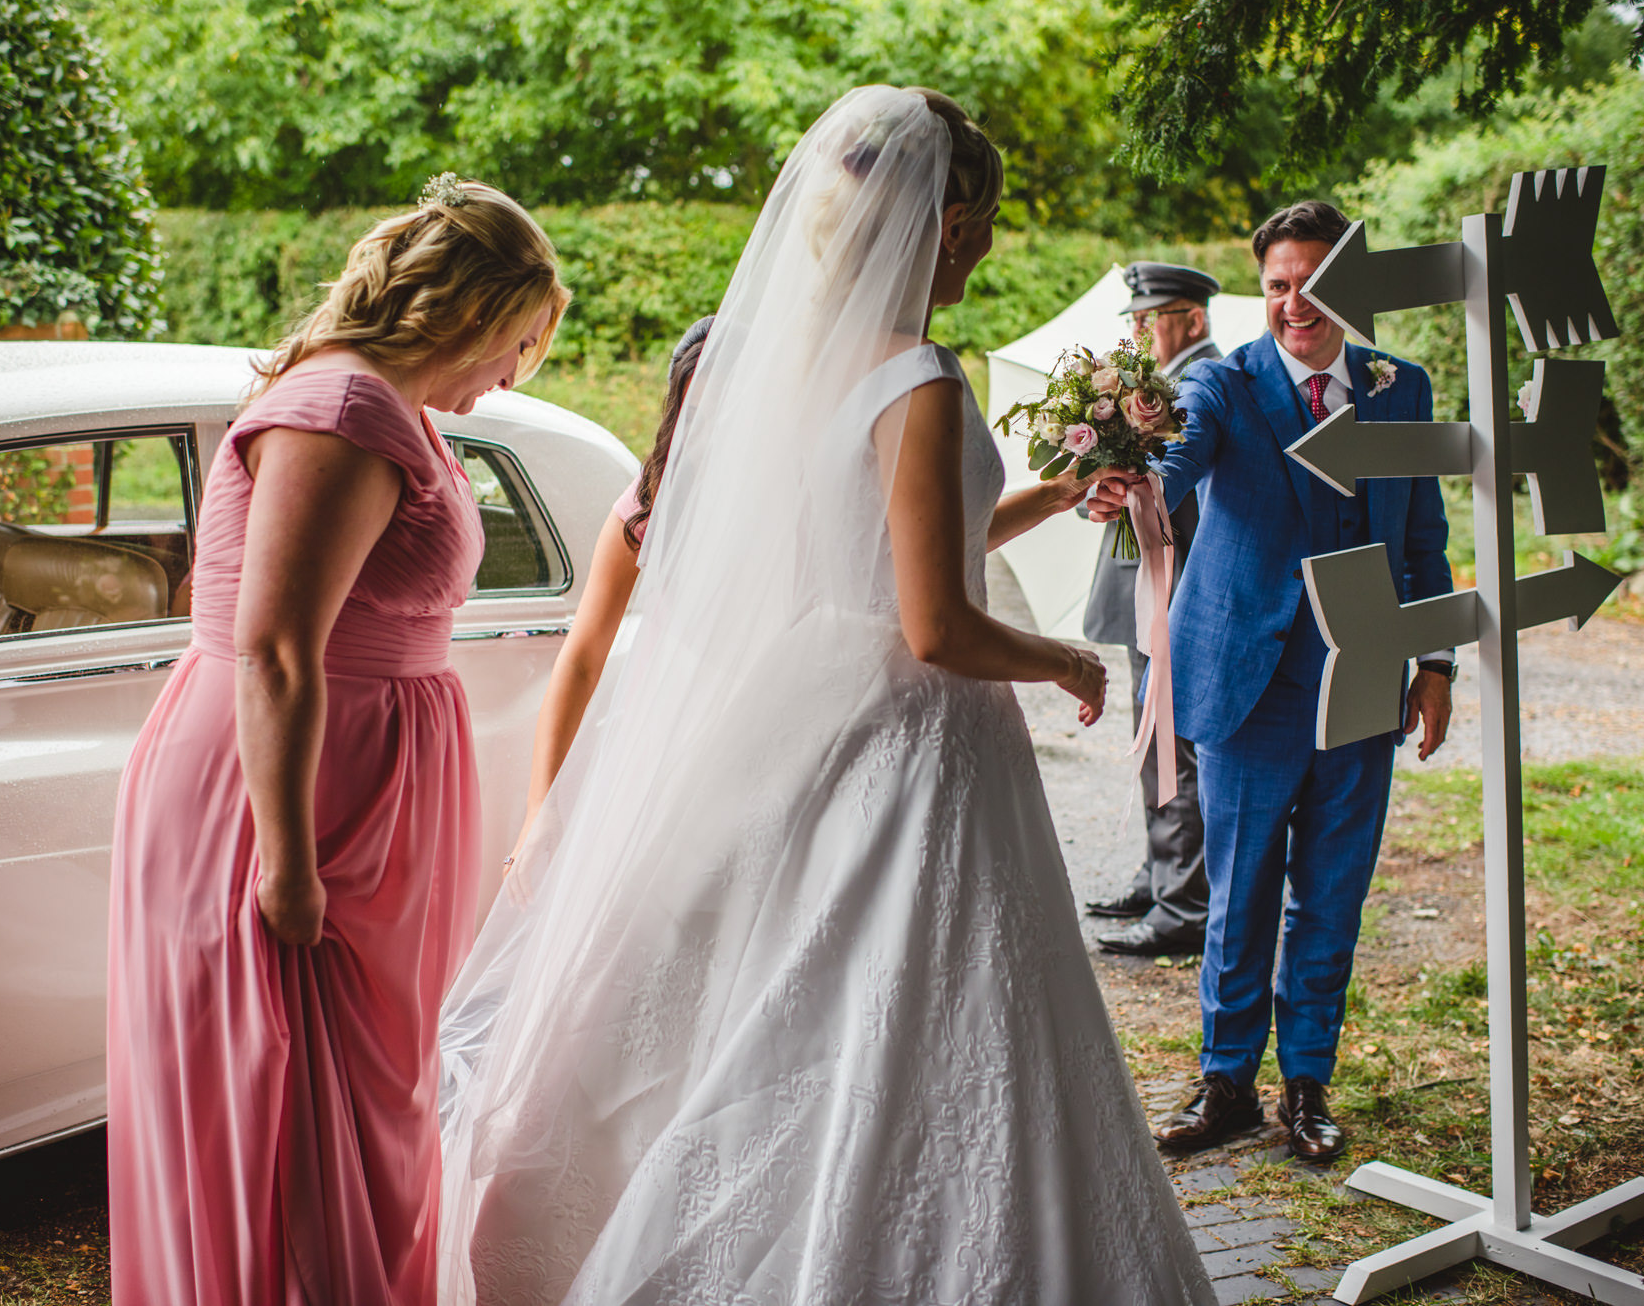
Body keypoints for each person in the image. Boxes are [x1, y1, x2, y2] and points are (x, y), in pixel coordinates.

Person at [433, 87, 1214, 1304]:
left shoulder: (799, 369)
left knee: (790, 998)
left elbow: (890, 551)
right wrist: (1060, 657)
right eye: (987, 217)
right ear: (946, 223)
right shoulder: (921, 378)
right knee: (936, 1008)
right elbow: (937, 623)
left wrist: (1052, 495)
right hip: (916, 738)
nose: (991, 243)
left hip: (810, 710)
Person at [107, 175, 568, 1304]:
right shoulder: (339, 411)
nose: (514, 373)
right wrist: (286, 864)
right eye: (517, 341)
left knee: (360, 1099)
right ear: (466, 309)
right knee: (290, 1105)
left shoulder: (390, 405)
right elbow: (272, 647)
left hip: (362, 784)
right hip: (289, 797)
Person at [1091, 200, 1454, 1162]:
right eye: (1278, 286)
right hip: (1252, 684)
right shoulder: (1221, 385)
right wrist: (1129, 477)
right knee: (1243, 889)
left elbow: (1423, 531)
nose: (1296, 304)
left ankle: (1306, 1085)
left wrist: (1436, 661)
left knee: (1331, 893)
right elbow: (1177, 457)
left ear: (1349, 284)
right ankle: (1225, 1084)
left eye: (1314, 282)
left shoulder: (1399, 387)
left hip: (1366, 675)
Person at [507, 314, 713, 861]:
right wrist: (539, 808)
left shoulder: (804, 497)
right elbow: (582, 655)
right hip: (671, 747)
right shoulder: (646, 509)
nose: (714, 429)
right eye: (697, 413)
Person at [1084, 261, 1224, 959]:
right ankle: (1162, 875)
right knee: (1156, 744)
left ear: (1192, 319)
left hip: (1175, 586)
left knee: (1175, 745)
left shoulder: (1202, 384)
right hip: (1152, 586)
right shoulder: (1160, 386)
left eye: (1151, 316)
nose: (1138, 330)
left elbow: (1186, 493)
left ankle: (1183, 903)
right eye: (1133, 319)